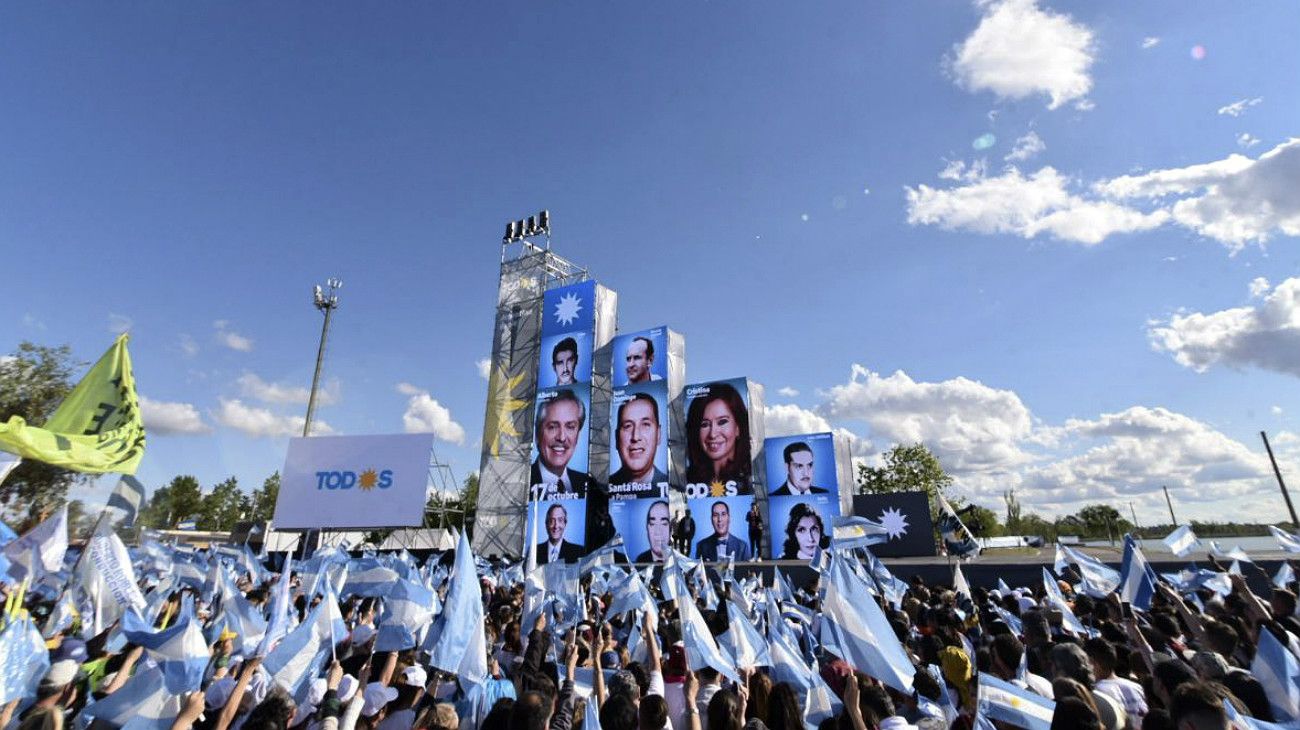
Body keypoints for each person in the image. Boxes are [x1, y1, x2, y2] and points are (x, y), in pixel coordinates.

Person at [684, 384, 751, 491]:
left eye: (722, 422)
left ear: (738, 428)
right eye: (704, 424)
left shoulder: (753, 481)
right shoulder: (683, 481)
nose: (712, 434)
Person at [529, 390, 591, 499]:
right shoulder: (523, 482)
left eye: (570, 427)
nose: (561, 437)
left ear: (578, 435)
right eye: (552, 427)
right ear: (537, 435)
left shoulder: (587, 484)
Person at [609, 394, 668, 495]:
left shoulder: (672, 488)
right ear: (616, 438)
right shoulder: (603, 490)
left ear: (658, 434)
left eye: (645, 424)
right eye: (627, 426)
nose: (635, 437)